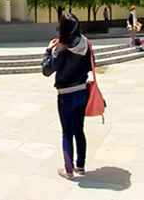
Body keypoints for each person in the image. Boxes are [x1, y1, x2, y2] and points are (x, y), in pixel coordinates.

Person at [42, 17, 92, 180]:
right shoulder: (86, 43)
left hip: (66, 96)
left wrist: (49, 50)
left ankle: (69, 170)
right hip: (82, 92)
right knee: (79, 130)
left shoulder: (62, 49)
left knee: (67, 133)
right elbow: (91, 65)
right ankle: (81, 166)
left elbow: (46, 70)